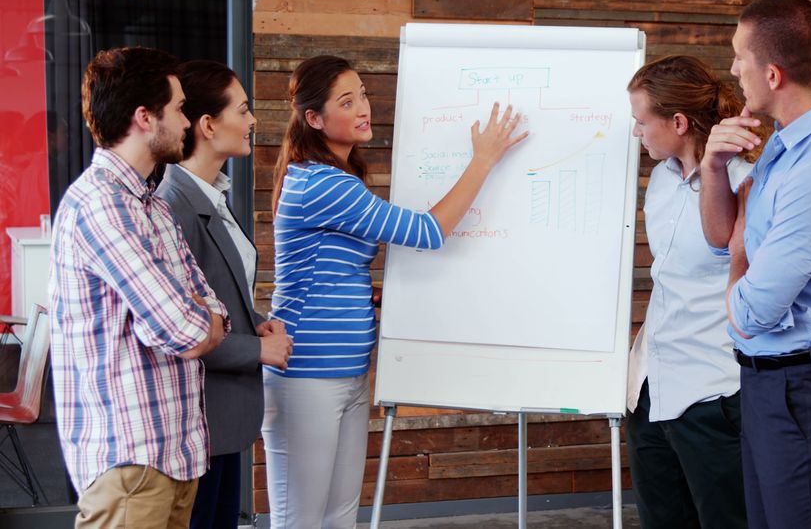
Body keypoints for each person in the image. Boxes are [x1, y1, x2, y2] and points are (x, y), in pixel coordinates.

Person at [264, 55, 527, 528]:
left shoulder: (340, 178)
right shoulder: (323, 184)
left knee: (340, 515)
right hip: (306, 372)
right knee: (300, 520)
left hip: (346, 371)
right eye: (347, 101)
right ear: (314, 119)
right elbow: (428, 232)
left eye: (363, 93)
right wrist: (483, 158)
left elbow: (331, 268)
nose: (364, 107)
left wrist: (366, 294)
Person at [700, 0, 811, 529]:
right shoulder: (790, 140)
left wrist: (739, 255)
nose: (732, 69)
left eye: (739, 57)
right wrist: (713, 168)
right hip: (774, 386)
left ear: (773, 73)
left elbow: (753, 312)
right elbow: (720, 236)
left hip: (807, 392)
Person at [48, 46, 228, 528]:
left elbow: (211, 308)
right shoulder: (101, 206)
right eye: (178, 109)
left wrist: (199, 316)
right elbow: (184, 329)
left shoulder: (151, 205)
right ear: (144, 117)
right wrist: (197, 318)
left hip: (172, 453)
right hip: (130, 460)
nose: (188, 122)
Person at [625, 55, 765, 529]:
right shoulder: (660, 179)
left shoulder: (745, 182)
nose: (636, 132)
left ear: (678, 121)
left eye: (642, 121)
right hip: (651, 391)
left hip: (713, 393)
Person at [155, 60, 294, 529]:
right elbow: (179, 327)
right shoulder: (175, 205)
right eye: (244, 109)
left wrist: (252, 318)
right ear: (208, 125)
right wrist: (260, 348)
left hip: (225, 415)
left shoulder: (212, 194)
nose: (253, 120)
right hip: (199, 416)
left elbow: (217, 290)